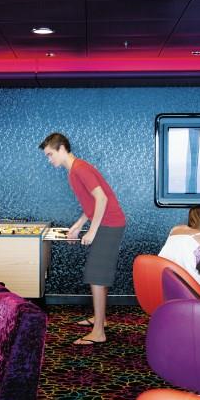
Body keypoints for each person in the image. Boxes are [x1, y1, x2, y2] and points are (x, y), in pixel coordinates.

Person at [40, 133, 126, 345]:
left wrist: (92, 231)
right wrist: (78, 226)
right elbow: (91, 204)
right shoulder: (73, 171)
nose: (49, 160)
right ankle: (100, 319)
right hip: (107, 223)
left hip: (110, 224)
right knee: (99, 274)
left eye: (50, 154)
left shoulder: (80, 168)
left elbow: (102, 199)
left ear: (61, 148)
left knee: (96, 276)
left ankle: (98, 332)